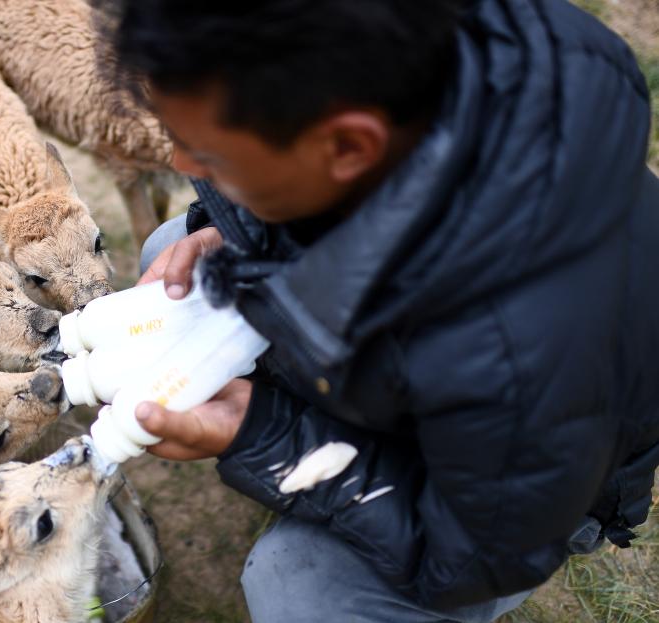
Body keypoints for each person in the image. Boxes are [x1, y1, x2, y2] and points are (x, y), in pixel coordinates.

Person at [92, 0, 659, 621]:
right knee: (176, 256)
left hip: (509, 508)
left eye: (211, 154)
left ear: (348, 146)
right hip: (450, 390)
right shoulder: (408, 74)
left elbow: (473, 557)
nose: (180, 164)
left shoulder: (518, 350)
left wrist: (264, 435)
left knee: (300, 590)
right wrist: (236, 231)